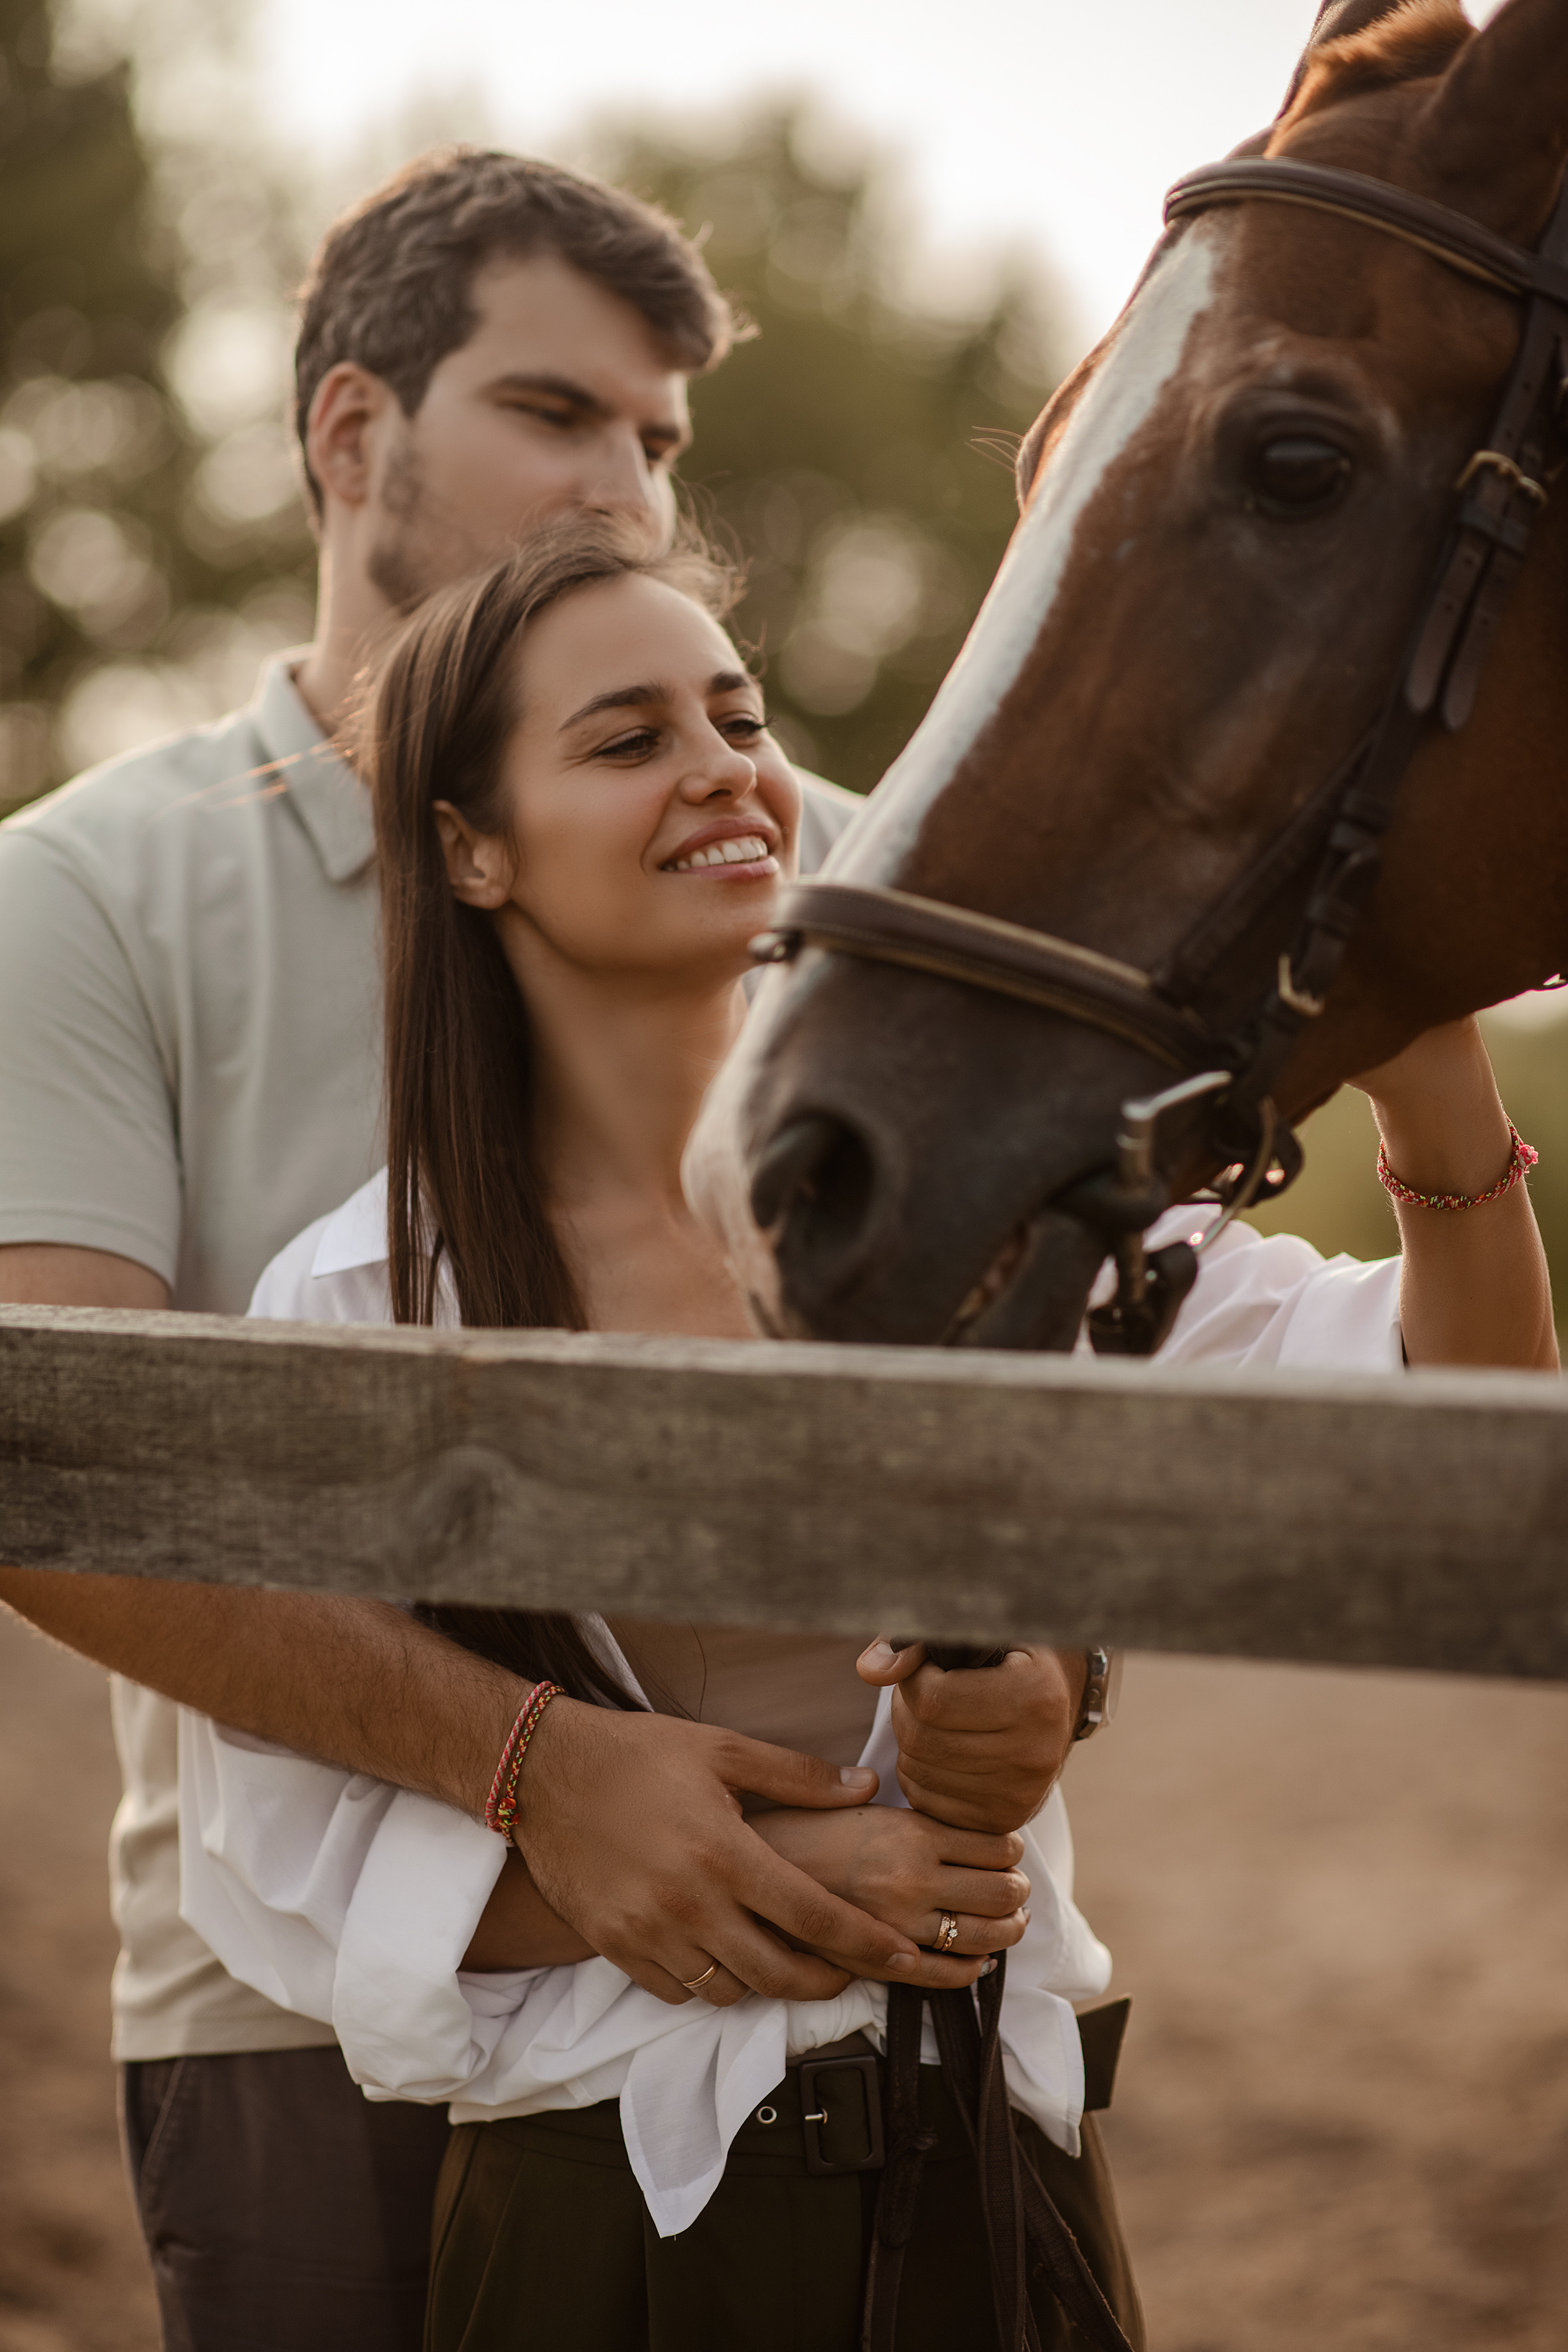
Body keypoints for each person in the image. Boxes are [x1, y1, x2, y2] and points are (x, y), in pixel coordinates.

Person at [177, 515, 1553, 2350]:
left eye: (736, 717)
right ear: (466, 847)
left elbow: (1446, 1435)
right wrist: (680, 1875)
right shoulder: (360, 1299)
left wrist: (1435, 1102)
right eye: (626, 738)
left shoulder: (1005, 1210)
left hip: (992, 2176)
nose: (725, 770)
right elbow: (271, 1849)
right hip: (594, 2229)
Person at [0, 145, 1001, 2352]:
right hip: (295, 2010)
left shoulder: (819, 865)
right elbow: (42, 1467)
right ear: (351, 436)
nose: (629, 493)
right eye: (557, 415)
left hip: (842, 1965)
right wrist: (531, 1778)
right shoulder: (80, 891)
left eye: (660, 440)